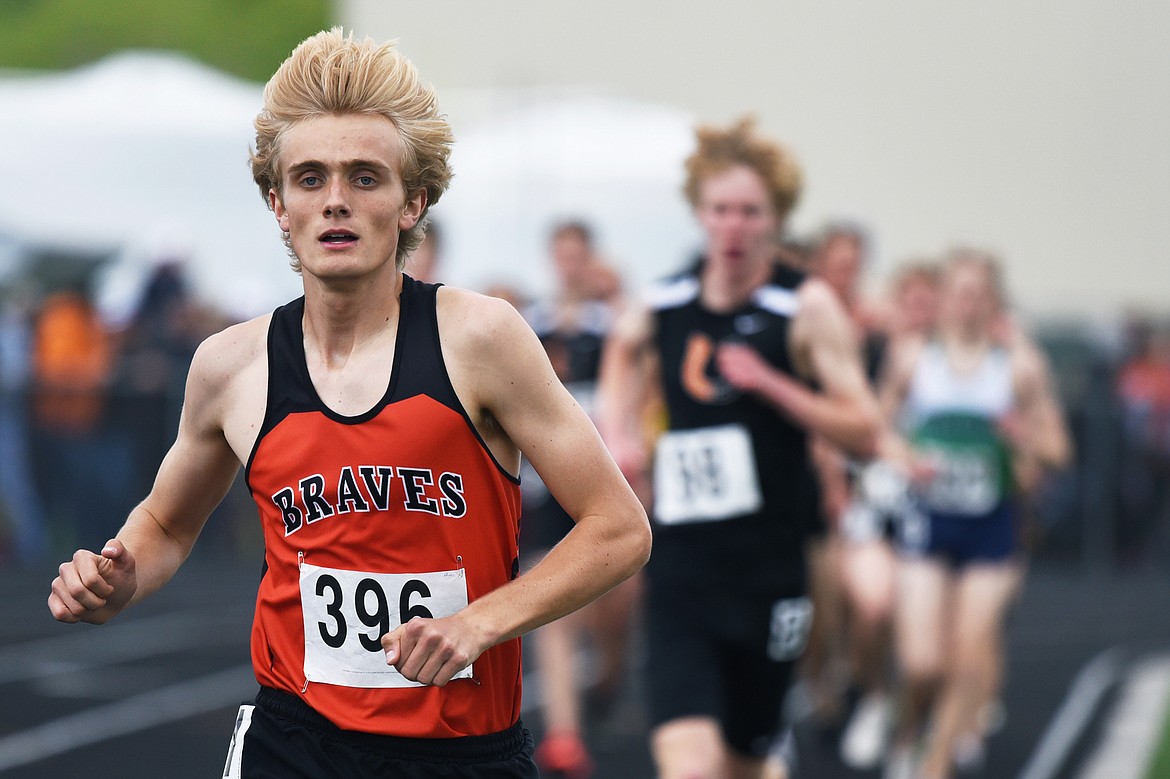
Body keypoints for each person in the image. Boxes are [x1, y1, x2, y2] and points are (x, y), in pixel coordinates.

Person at [47, 28, 651, 779]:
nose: (335, 200)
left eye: (365, 177)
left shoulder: (480, 339)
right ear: (278, 204)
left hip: (460, 751)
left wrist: (478, 623)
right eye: (309, 178)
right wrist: (117, 576)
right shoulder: (232, 366)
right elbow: (167, 522)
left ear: (413, 202)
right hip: (291, 741)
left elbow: (619, 528)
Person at [598, 117, 880, 779]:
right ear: (699, 213)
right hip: (682, 568)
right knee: (688, 763)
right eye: (720, 210)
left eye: (750, 212)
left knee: (746, 760)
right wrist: (620, 438)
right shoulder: (665, 300)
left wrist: (775, 386)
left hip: (770, 571)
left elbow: (863, 426)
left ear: (775, 219)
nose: (733, 227)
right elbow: (620, 354)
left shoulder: (804, 306)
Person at [879, 250, 1070, 779]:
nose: (967, 304)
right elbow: (880, 428)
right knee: (922, 661)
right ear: (941, 299)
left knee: (968, 654)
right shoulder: (914, 357)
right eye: (958, 293)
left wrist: (1024, 435)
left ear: (993, 302)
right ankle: (907, 726)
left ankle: (934, 764)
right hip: (928, 518)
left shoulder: (1019, 366)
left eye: (978, 294)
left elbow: (1058, 448)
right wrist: (905, 457)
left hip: (992, 527)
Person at [519, 220, 642, 778]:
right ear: (552, 258)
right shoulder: (530, 326)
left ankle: (609, 674)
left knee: (613, 607)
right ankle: (565, 736)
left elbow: (640, 389)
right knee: (548, 597)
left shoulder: (614, 325)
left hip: (605, 473)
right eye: (561, 254)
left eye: (578, 255)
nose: (569, 265)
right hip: (545, 482)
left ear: (590, 259)